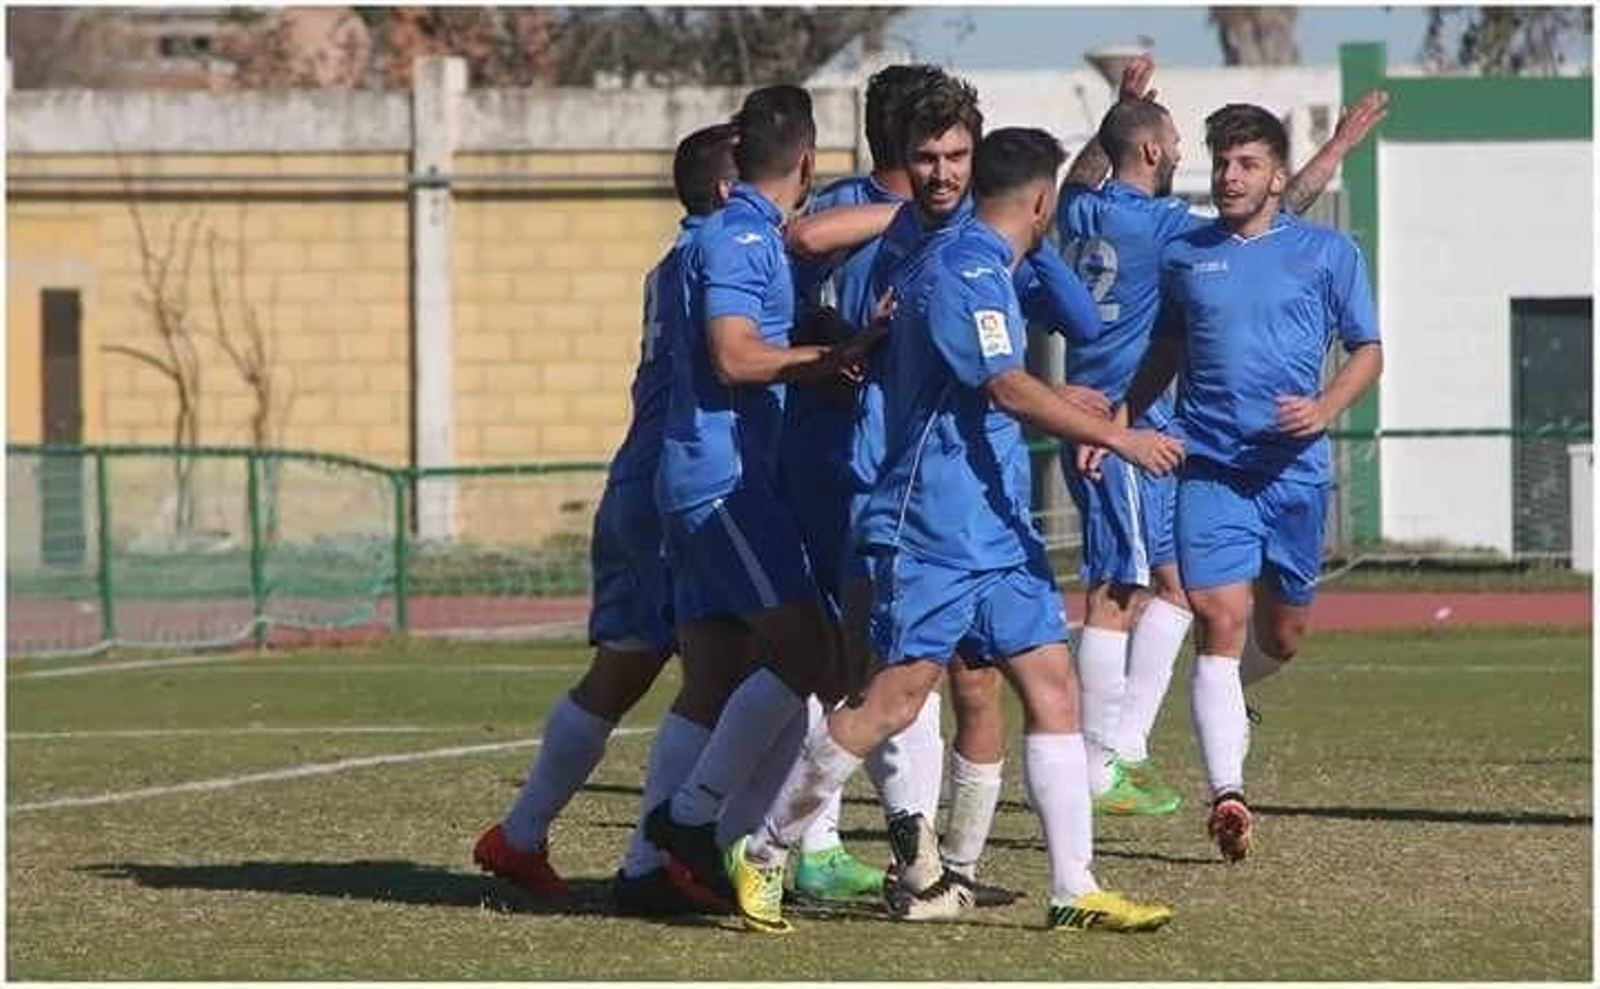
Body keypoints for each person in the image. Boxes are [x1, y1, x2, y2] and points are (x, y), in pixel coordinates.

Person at [727, 127, 1183, 935]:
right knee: (890, 702)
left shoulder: (987, 263)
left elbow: (996, 383)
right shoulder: (966, 268)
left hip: (995, 524)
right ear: (1043, 202)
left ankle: (1074, 885)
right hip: (934, 523)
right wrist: (1117, 434)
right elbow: (1003, 386)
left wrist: (1065, 400)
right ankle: (763, 852)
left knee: (1053, 688)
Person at [789, 71, 1106, 902]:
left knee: (998, 682)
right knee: (882, 687)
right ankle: (793, 847)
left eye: (956, 155)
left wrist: (1045, 235)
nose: (941, 172)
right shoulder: (903, 238)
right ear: (899, 153)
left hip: (980, 501)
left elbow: (1070, 319)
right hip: (899, 493)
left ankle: (961, 870)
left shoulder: (982, 234)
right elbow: (817, 259)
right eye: (925, 156)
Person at [1057, 56, 1389, 818]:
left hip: (1274, 465)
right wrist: (1113, 418)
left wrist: (1328, 406)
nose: (1223, 173)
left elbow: (1362, 343)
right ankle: (1178, 777)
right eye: (1212, 158)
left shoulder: (1321, 252)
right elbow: (1170, 344)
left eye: (1246, 164)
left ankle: (1192, 715)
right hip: (1186, 453)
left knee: (1265, 625)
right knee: (1173, 601)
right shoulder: (1182, 244)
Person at [471, 123, 739, 915]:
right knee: (739, 669)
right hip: (678, 485)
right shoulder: (722, 251)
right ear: (730, 190)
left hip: (638, 475)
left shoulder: (673, 261)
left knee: (625, 669)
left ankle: (520, 835)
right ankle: (656, 860)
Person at [643, 84, 873, 898]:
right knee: (817, 657)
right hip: (722, 481)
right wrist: (822, 362)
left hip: (721, 473)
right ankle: (695, 820)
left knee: (718, 672)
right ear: (808, 159)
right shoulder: (738, 236)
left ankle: (654, 864)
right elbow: (736, 355)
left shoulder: (750, 234)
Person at [776, 63, 949, 903]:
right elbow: (797, 255)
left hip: (873, 461)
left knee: (880, 661)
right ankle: (819, 843)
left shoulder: (901, 214)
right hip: (859, 463)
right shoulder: (876, 214)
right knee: (873, 662)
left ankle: (891, 846)